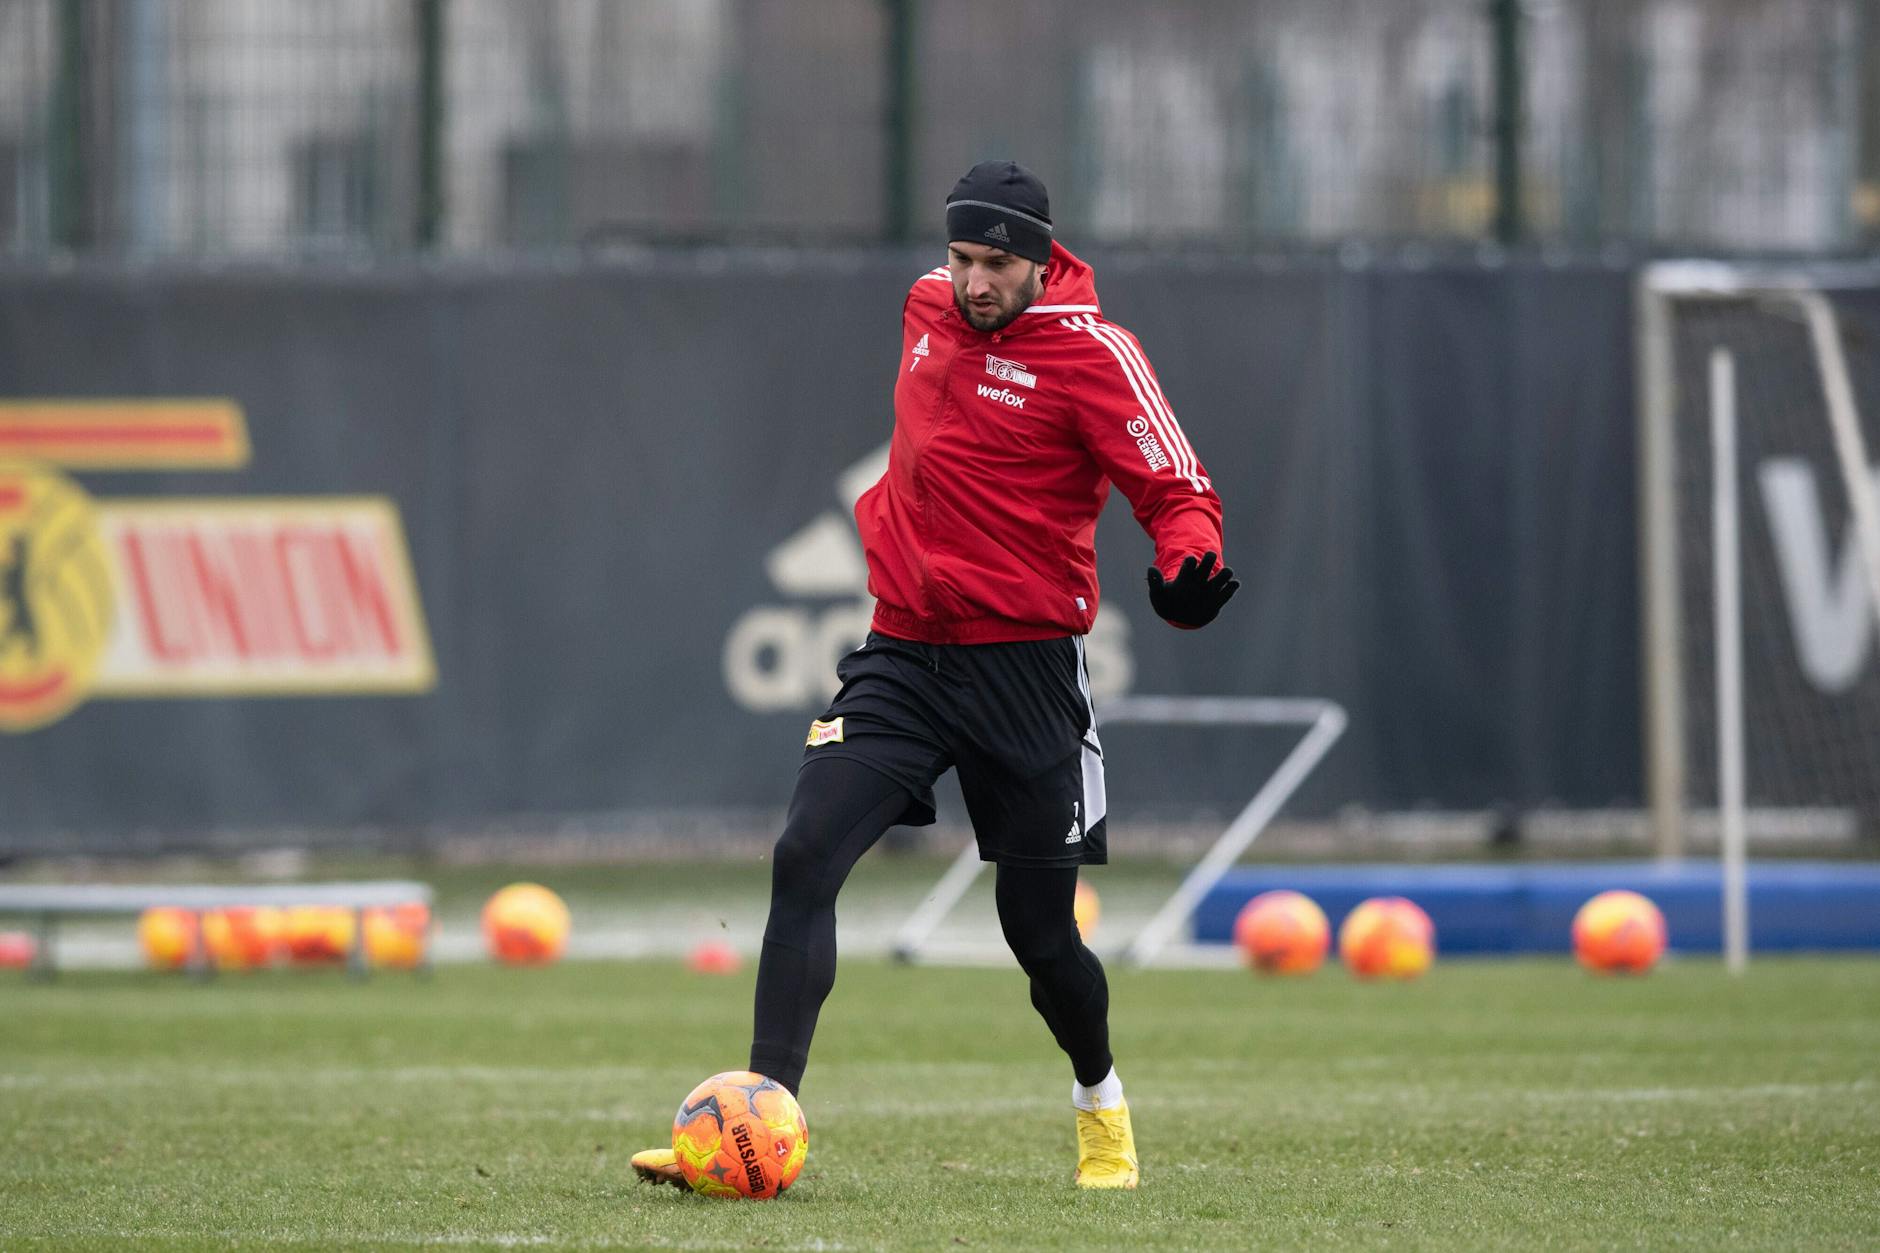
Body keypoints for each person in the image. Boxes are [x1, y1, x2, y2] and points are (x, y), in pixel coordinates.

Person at [634, 160, 1236, 1192]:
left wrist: (1187, 562)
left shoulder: (1094, 354)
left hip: (1025, 672)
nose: (971, 281)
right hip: (903, 652)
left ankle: (1099, 1101)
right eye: (960, 257)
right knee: (803, 851)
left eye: (994, 262)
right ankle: (753, 1125)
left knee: (1039, 937)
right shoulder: (924, 306)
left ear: (1039, 260)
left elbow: (1175, 485)